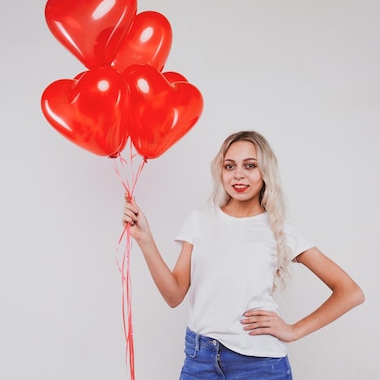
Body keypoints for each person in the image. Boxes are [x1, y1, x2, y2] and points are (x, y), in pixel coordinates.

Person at [122, 130, 364, 380]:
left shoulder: (278, 229)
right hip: (200, 360)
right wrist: (145, 240)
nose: (238, 174)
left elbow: (350, 291)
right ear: (221, 171)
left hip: (259, 366)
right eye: (230, 166)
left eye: (250, 165)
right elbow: (174, 296)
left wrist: (293, 330)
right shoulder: (200, 220)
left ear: (265, 172)